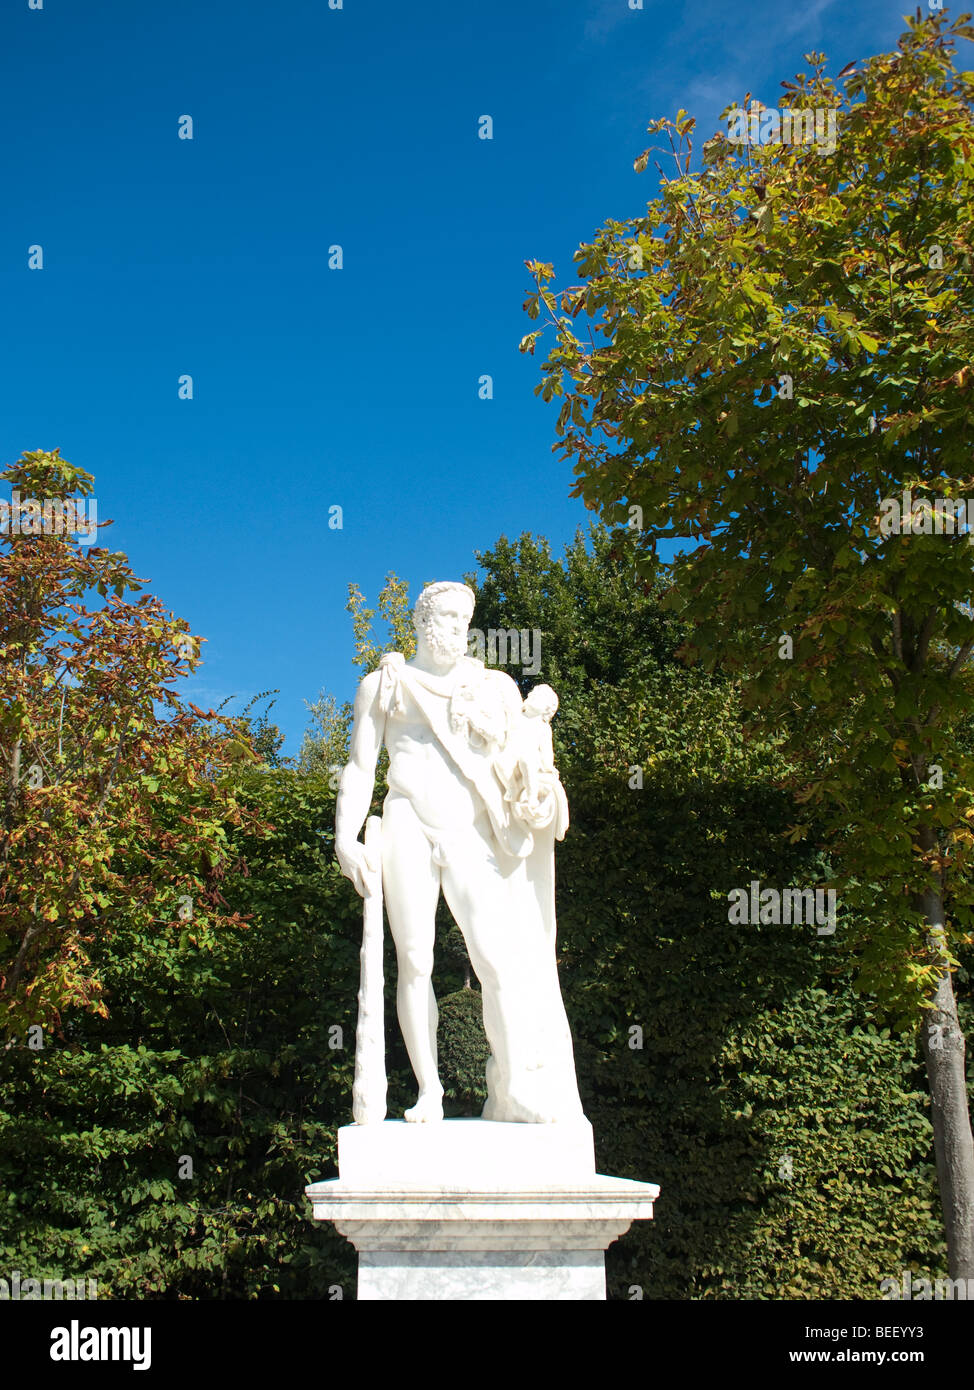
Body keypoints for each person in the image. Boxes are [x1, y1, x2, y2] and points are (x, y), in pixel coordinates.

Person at [335, 581, 584, 1124]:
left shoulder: (492, 687)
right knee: (417, 961)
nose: (456, 629)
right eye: (446, 617)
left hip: (471, 829)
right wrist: (344, 837)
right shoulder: (384, 686)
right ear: (421, 621)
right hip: (407, 819)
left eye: (463, 619)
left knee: (496, 958)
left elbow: (523, 760)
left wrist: (538, 767)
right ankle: (429, 1091)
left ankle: (515, 1085)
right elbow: (360, 767)